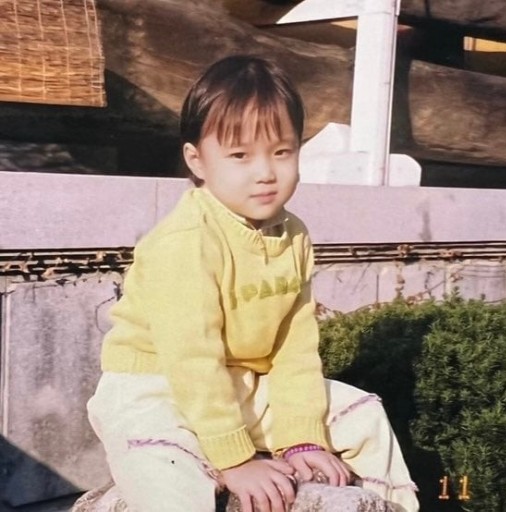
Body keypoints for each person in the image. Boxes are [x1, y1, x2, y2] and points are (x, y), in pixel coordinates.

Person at [87, 55, 419, 512]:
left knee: (362, 414)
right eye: (240, 155)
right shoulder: (186, 241)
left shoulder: (294, 235)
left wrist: (301, 437)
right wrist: (236, 460)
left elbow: (294, 347)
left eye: (281, 152)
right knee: (166, 474)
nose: (265, 172)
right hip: (155, 388)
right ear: (197, 160)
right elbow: (193, 361)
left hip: (241, 387)